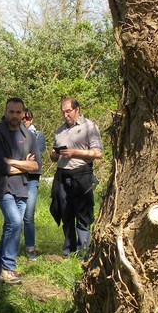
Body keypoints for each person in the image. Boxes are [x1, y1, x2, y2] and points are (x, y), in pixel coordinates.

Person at [0, 98, 40, 285]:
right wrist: (23, 165)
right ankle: (8, 268)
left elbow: (35, 165)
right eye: (11, 112)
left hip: (22, 187)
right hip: (2, 186)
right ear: (6, 111)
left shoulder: (28, 136)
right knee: (16, 223)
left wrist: (12, 162)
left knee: (10, 227)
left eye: (18, 112)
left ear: (23, 113)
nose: (15, 116)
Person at [50, 98, 103, 258]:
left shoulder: (89, 127)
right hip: (62, 175)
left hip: (81, 174)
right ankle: (68, 251)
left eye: (68, 111)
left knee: (83, 215)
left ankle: (83, 253)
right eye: (63, 112)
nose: (66, 115)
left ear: (77, 109)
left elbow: (98, 153)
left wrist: (75, 152)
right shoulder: (60, 130)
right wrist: (55, 154)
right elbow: (53, 157)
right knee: (65, 213)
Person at [22, 109, 45, 260]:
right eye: (23, 117)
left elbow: (36, 154)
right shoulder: (12, 134)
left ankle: (30, 249)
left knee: (28, 215)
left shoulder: (38, 135)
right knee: (14, 216)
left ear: (32, 119)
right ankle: (10, 248)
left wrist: (20, 159)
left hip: (31, 179)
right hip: (16, 178)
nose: (25, 120)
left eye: (27, 118)